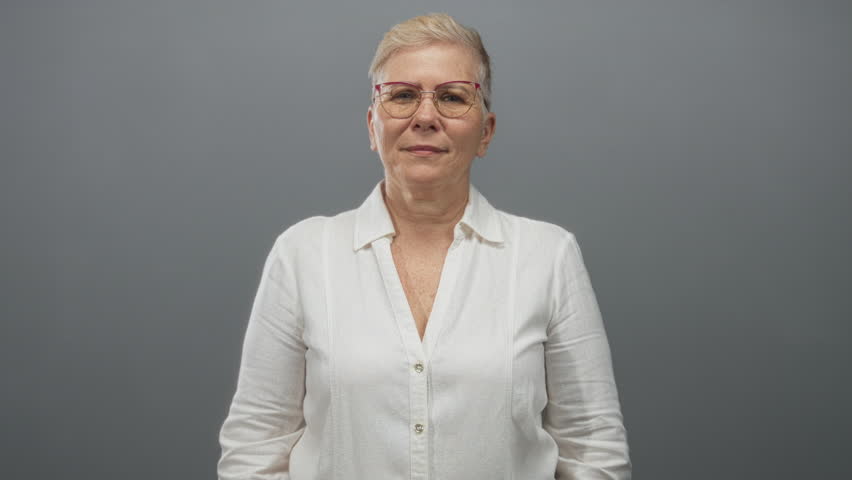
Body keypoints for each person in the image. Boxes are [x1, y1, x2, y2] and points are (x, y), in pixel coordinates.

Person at [218, 13, 631, 480]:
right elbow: (255, 448)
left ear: (487, 132)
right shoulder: (302, 256)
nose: (426, 117)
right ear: (373, 125)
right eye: (403, 96)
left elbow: (593, 448)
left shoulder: (547, 257)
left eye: (453, 97)